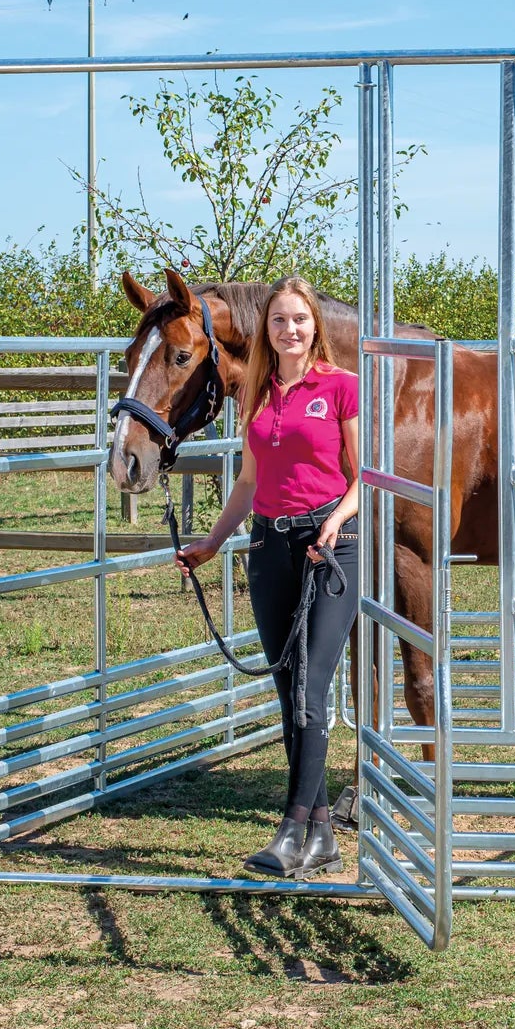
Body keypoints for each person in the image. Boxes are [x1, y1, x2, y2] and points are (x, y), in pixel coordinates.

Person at [176, 276, 361, 877]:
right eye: (279, 321)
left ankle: (291, 828)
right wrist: (211, 542)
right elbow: (250, 482)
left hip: (329, 549)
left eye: (299, 320)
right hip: (269, 547)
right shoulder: (257, 394)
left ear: (316, 328)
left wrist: (335, 522)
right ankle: (323, 835)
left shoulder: (340, 388)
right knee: (288, 691)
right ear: (267, 331)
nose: (290, 330)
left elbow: (364, 480)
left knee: (311, 686)